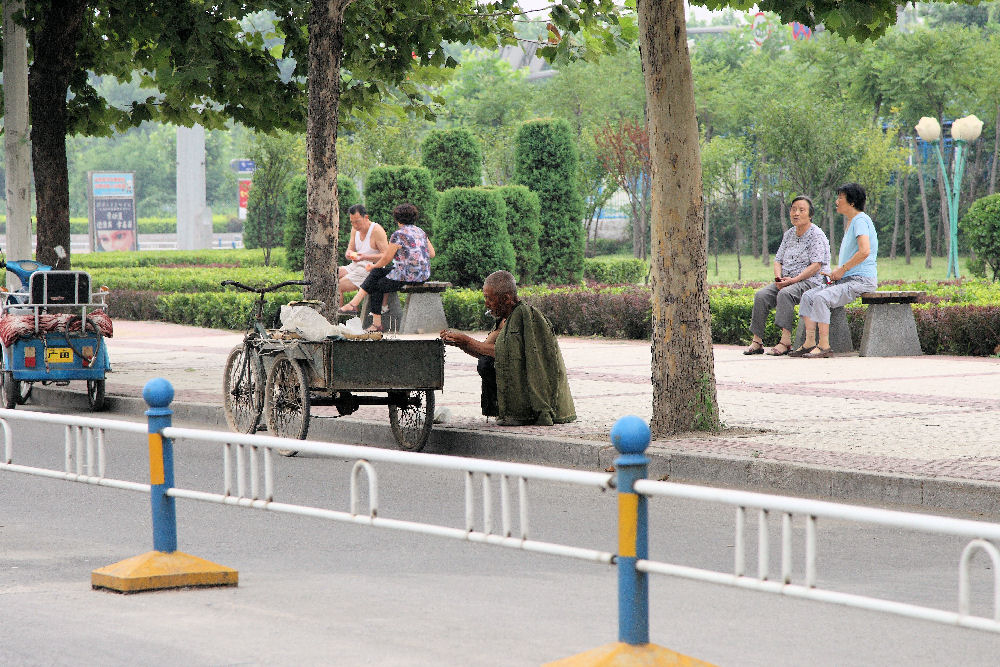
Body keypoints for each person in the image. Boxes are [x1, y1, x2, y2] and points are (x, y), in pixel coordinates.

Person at [440, 270, 576, 427]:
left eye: (489, 298)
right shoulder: (504, 320)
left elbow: (506, 355)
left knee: (487, 363)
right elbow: (485, 350)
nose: (486, 303)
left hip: (542, 395)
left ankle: (523, 413)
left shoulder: (524, 315)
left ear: (506, 299)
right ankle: (506, 410)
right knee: (486, 363)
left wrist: (466, 340)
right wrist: (460, 342)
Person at [792, 182, 878, 358]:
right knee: (808, 295)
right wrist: (838, 273)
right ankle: (809, 342)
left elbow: (865, 251)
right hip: (848, 278)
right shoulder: (852, 221)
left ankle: (824, 346)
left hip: (861, 281)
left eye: (840, 197)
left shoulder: (860, 220)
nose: (837, 201)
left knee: (822, 297)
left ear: (852, 202)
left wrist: (843, 269)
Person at [744, 196, 830, 356]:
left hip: (810, 281)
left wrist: (793, 280)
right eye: (793, 209)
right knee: (761, 296)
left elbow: (816, 265)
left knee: (785, 294)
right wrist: (778, 279)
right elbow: (778, 260)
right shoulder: (789, 234)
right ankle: (757, 341)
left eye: (801, 210)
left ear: (810, 215)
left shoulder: (816, 235)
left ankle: (786, 342)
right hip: (786, 281)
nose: (796, 213)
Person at [337, 202, 434, 332]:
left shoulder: (398, 235)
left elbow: (387, 258)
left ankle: (375, 323)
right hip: (423, 275)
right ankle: (354, 304)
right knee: (377, 273)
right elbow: (432, 254)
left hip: (407, 275)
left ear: (397, 219)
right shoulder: (421, 232)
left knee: (377, 284)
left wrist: (373, 266)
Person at [337, 204, 388, 306]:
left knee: (337, 286)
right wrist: (349, 254)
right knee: (332, 275)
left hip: (371, 268)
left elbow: (386, 256)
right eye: (352, 222)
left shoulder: (376, 230)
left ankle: (338, 317)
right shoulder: (354, 229)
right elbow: (350, 249)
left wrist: (364, 257)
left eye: (357, 222)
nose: (355, 226)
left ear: (366, 217)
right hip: (355, 266)